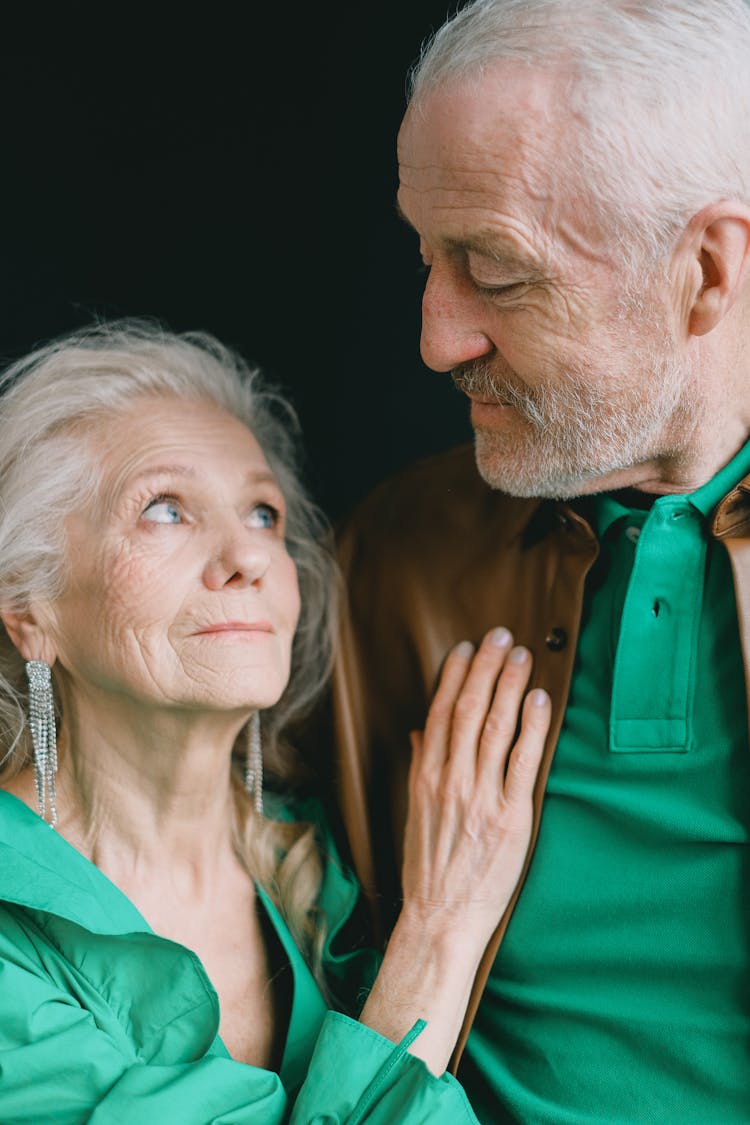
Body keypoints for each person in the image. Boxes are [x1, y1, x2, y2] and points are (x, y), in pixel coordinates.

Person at [331, 0, 750, 1121]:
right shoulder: (386, 555)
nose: (435, 337)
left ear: (708, 272)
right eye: (427, 254)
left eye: (497, 272)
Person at [0, 320, 552, 1123]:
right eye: (163, 509)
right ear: (29, 608)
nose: (249, 557)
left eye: (263, 514)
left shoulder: (317, 865)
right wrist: (440, 932)